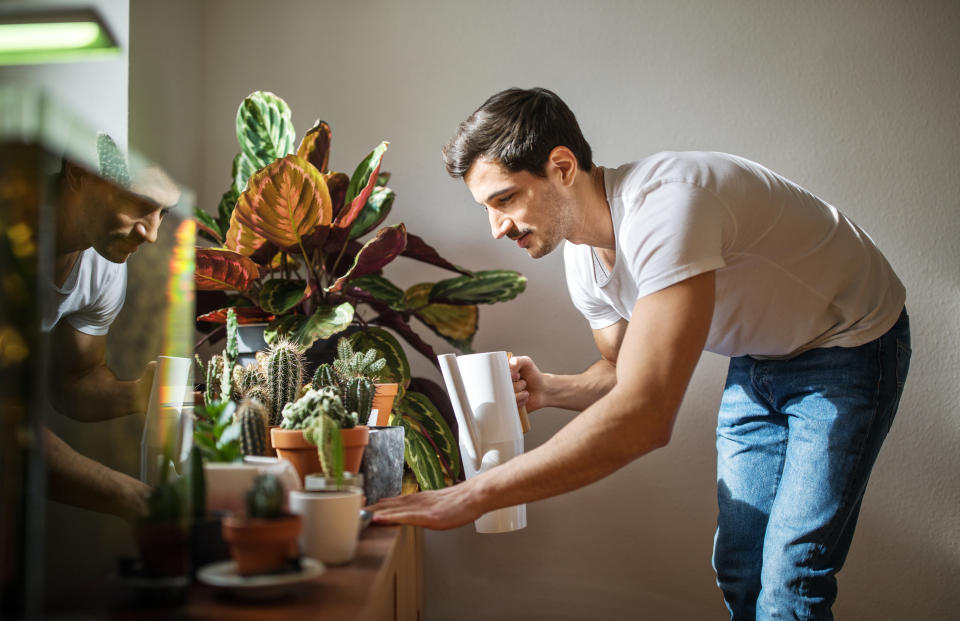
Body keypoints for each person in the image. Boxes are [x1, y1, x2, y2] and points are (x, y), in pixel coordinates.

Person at [369, 87, 911, 620]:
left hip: (849, 342)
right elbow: (624, 373)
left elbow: (646, 415)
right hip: (759, 358)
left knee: (792, 581)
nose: (496, 227)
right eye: (487, 207)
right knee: (741, 569)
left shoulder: (668, 206)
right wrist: (551, 389)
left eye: (506, 199)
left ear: (561, 167)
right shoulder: (584, 260)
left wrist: (473, 495)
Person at [42, 154, 179, 520]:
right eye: (140, 206)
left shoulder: (102, 264)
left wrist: (138, 394)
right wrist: (138, 501)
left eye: (163, 213)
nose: (151, 235)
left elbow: (75, 380)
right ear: (78, 172)